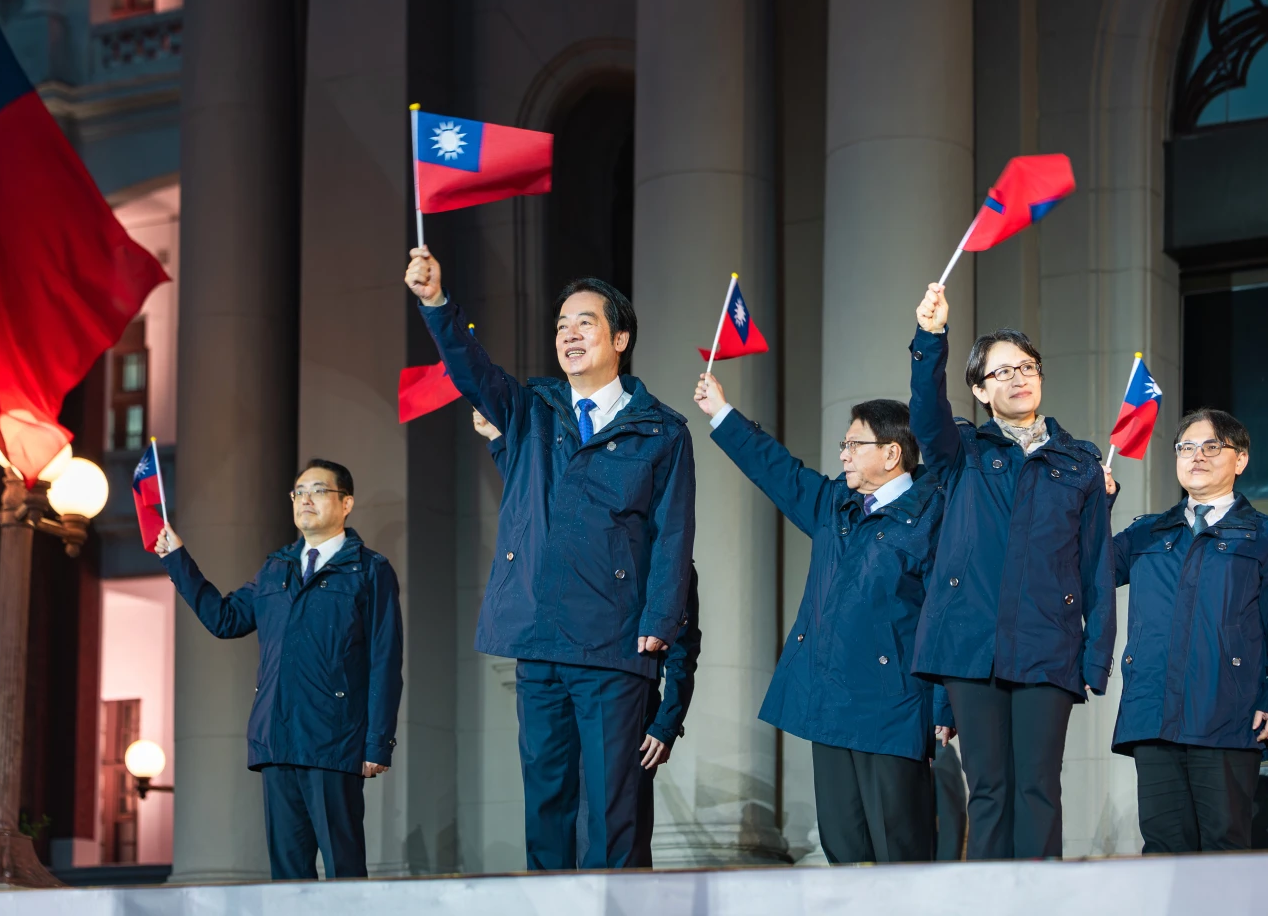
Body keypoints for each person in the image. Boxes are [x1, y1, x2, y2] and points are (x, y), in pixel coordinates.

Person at [405, 248, 695, 871]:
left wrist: (659, 621)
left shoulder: (662, 431)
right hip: (538, 639)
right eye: (562, 325)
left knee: (611, 815)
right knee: (546, 808)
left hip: (614, 642)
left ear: (620, 338)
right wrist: (436, 303)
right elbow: (472, 371)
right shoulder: (533, 408)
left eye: (585, 322)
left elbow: (673, 535)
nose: (569, 334)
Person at [690, 375, 948, 863]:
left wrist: (944, 706)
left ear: (892, 453)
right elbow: (777, 470)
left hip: (893, 708)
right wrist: (722, 412)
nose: (844, 454)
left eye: (854, 444)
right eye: (843, 445)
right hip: (829, 701)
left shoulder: (933, 515)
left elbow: (943, 618)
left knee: (901, 851)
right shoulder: (835, 505)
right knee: (842, 847)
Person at [909, 282, 1115, 860]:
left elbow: (1096, 565)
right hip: (970, 645)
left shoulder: (1079, 462)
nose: (1019, 378)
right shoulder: (963, 450)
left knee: (1038, 789)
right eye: (1002, 372)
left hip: (1048, 644)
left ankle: (1040, 898)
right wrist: (930, 337)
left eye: (1027, 367)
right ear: (979, 390)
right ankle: (990, 898)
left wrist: (1095, 656)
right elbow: (926, 414)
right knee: (990, 790)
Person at [472, 409, 701, 867]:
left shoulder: (660, 561)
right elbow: (539, 501)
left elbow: (682, 646)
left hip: (623, 700)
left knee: (612, 836)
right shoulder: (568, 531)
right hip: (558, 674)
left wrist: (665, 721)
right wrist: (500, 442)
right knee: (553, 818)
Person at [154, 459, 403, 880]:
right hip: (276, 739)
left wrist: (376, 743)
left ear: (346, 504)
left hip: (333, 740)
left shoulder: (369, 570)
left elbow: (385, 658)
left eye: (318, 490)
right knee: (287, 880)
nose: (305, 499)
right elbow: (225, 619)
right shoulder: (276, 568)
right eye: (299, 492)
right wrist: (178, 560)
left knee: (344, 872)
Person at [1103, 409, 1268, 853]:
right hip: (1153, 712)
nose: (1197, 456)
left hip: (1228, 714)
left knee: (1224, 850)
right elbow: (1084, 570)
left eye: (1212, 446)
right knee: (1163, 850)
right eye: (1187, 447)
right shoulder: (1147, 533)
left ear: (1241, 459)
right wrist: (1096, 506)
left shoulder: (1265, 536)